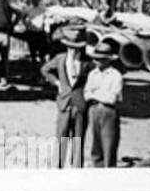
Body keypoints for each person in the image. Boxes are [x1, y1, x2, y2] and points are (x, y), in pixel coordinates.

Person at [40, 31, 90, 168]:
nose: (73, 51)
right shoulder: (60, 59)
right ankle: (58, 168)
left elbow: (94, 77)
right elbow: (45, 69)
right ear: (67, 47)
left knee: (78, 139)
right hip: (64, 104)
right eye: (71, 47)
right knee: (61, 137)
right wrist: (57, 83)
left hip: (79, 105)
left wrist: (88, 91)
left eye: (76, 48)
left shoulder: (87, 62)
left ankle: (76, 170)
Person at [84, 40, 125, 168]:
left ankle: (109, 175)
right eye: (96, 59)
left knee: (109, 146)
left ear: (108, 60)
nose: (97, 62)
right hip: (94, 110)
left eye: (100, 59)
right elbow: (86, 94)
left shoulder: (116, 76)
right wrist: (100, 95)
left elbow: (112, 98)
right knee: (96, 146)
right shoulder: (92, 74)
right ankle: (97, 170)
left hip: (108, 112)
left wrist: (95, 94)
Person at [22, 0, 51, 76]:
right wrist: (26, 24)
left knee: (42, 55)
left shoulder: (43, 9)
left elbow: (47, 20)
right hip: (32, 33)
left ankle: (43, 74)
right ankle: (34, 74)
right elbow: (22, 16)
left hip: (40, 33)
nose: (34, 0)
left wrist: (47, 31)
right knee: (33, 55)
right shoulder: (28, 9)